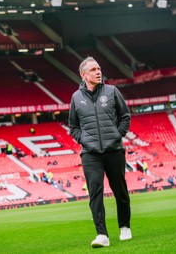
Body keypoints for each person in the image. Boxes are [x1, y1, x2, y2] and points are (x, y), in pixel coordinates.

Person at [69, 57, 132, 248]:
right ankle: (102, 234)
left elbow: (125, 116)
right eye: (93, 69)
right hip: (90, 154)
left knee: (119, 190)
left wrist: (116, 135)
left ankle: (124, 226)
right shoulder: (76, 98)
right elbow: (73, 127)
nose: (98, 72)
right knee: (95, 191)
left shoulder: (112, 91)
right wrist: (85, 140)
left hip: (114, 150)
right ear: (84, 75)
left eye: (99, 68)